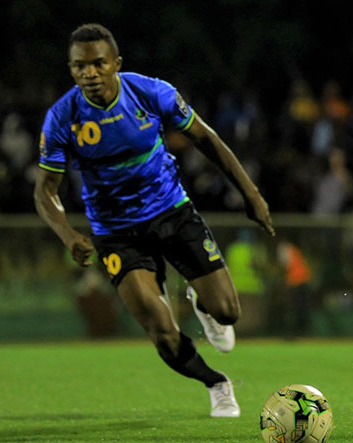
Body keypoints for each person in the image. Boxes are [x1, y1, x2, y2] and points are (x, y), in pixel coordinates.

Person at [33, 23, 275, 418]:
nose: (89, 74)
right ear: (71, 69)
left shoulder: (151, 92)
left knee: (229, 312)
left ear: (116, 64)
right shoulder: (62, 118)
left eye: (98, 64)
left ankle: (201, 300)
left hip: (171, 211)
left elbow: (207, 138)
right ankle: (217, 383)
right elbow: (44, 191)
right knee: (160, 329)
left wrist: (251, 194)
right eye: (79, 67)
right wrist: (66, 233)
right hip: (116, 233)